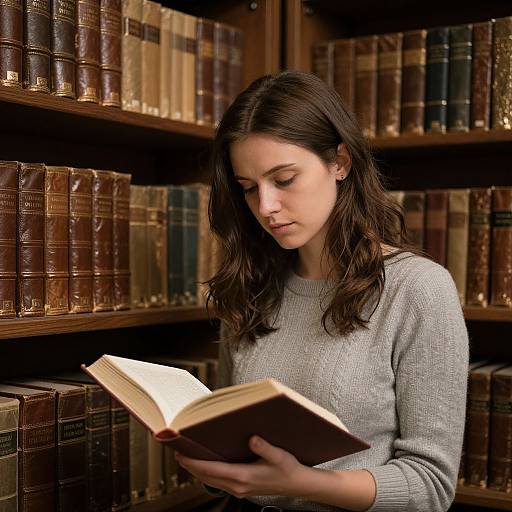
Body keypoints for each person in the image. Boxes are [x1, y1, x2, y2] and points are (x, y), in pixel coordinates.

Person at [174, 70, 469, 512]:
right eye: (249, 189)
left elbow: (431, 487)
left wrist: (306, 483)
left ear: (340, 162)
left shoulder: (418, 289)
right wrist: (218, 468)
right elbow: (238, 448)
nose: (266, 207)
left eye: (285, 179)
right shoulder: (254, 286)